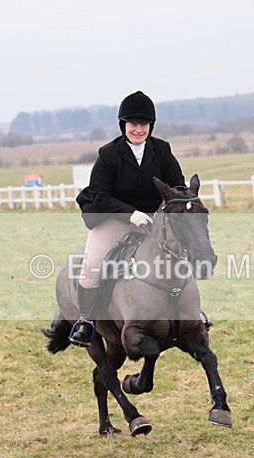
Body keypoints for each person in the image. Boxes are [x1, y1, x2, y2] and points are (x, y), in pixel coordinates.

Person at [70, 91, 186, 347]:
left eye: (143, 125)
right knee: (92, 265)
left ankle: (187, 315)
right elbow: (99, 194)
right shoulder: (109, 154)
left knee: (180, 255)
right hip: (113, 219)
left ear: (150, 126)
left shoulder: (162, 150)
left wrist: (174, 204)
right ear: (124, 125)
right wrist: (129, 214)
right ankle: (87, 322)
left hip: (152, 219)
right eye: (133, 124)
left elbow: (177, 183)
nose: (138, 129)